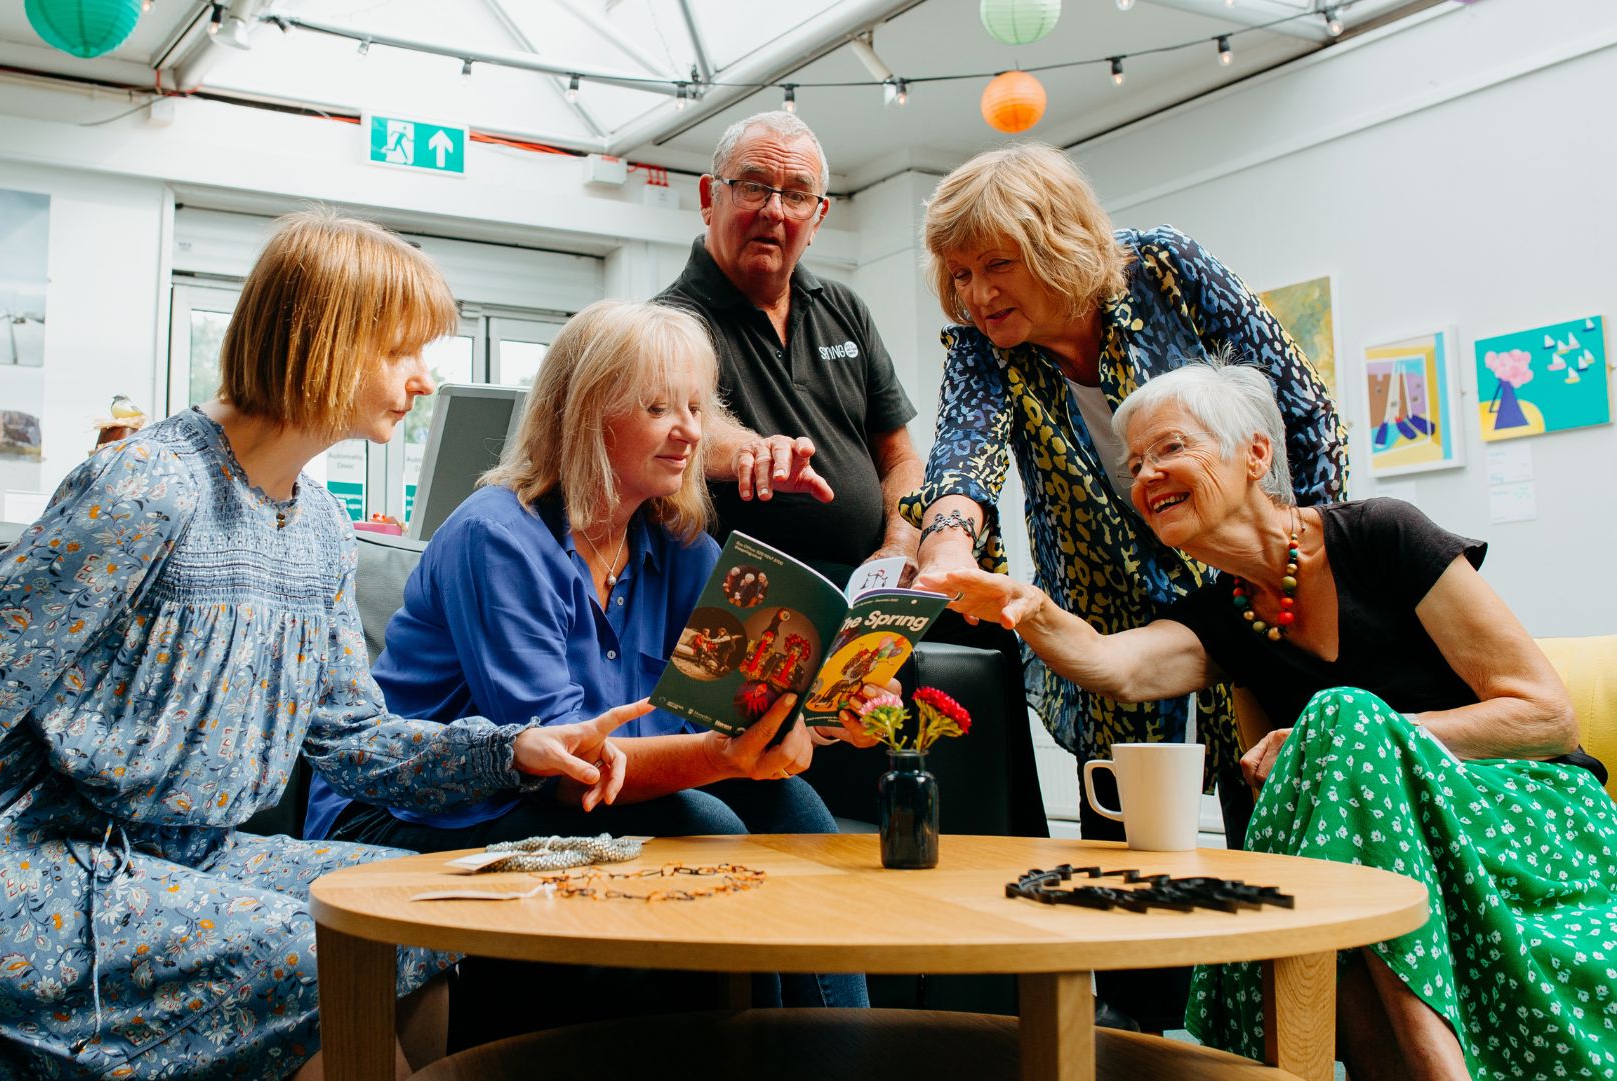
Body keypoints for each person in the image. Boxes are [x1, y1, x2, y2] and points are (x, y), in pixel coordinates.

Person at [0, 212, 646, 1081]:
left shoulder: (320, 526)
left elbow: (352, 739)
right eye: (402, 352)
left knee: (415, 916)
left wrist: (515, 751)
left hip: (182, 852)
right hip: (26, 860)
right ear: (326, 342)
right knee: (328, 952)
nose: (424, 381)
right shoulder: (146, 488)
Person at [919, 360, 1614, 1079]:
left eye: (1170, 448)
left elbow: (1547, 715)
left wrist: (1362, 739)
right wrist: (1027, 608)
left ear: (1255, 454)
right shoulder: (1226, 614)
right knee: (1328, 810)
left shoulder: (1382, 534)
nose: (1146, 476)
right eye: (1133, 465)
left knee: (1343, 720)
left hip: (1526, 811)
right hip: (1381, 855)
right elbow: (1114, 664)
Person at [303, 299, 878, 1008]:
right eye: (659, 407)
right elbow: (566, 772)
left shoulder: (672, 542)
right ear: (585, 413)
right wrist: (724, 757)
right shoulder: (498, 536)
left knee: (790, 802)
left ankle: (841, 1056)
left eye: (696, 407)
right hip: (421, 805)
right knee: (703, 827)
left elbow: (745, 698)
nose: (691, 432)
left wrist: (823, 711)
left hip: (583, 793)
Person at [906, 142, 1350, 840]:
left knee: (1275, 810)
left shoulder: (1165, 270)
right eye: (960, 273)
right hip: (1109, 613)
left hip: (1250, 588)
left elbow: (1301, 409)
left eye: (998, 265)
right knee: (1128, 843)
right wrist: (947, 547)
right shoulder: (982, 347)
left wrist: (1299, 559)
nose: (978, 295)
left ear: (1054, 243)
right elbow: (961, 464)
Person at [654, 110, 924, 591]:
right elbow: (695, 430)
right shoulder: (668, 323)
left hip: (867, 582)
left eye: (797, 195)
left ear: (817, 217)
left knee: (1000, 633)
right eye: (753, 187)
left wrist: (900, 547)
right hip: (745, 593)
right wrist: (752, 451)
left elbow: (900, 458)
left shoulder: (844, 308)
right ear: (708, 198)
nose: (774, 212)